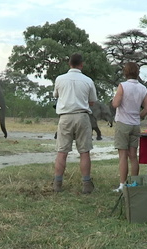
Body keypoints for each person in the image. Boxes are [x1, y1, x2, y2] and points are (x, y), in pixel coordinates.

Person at [53, 53, 98, 194]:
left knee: (62, 151)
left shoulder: (60, 79)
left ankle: (57, 183)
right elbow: (92, 101)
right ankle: (86, 184)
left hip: (65, 117)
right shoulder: (88, 81)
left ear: (69, 64)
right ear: (81, 64)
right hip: (82, 117)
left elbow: (56, 95)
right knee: (84, 152)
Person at [111, 62, 147, 192]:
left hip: (123, 123)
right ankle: (134, 183)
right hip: (135, 124)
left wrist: (114, 98)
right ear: (137, 73)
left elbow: (116, 104)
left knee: (122, 155)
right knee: (133, 155)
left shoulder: (123, 86)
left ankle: (122, 185)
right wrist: (139, 116)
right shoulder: (143, 88)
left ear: (125, 72)